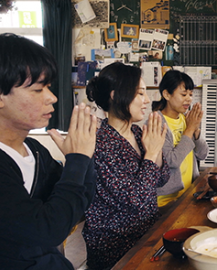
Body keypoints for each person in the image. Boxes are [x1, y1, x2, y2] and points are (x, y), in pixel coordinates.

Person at [0, 33, 97, 269]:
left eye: (49, 88)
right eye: (37, 90)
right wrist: (77, 159)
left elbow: (77, 205)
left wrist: (84, 159)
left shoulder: (35, 150)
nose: (52, 98)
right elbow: (47, 231)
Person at [83, 62, 169, 269]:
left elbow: (161, 179)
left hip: (144, 236)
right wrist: (151, 154)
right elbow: (135, 199)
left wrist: (155, 151)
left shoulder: (138, 133)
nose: (147, 100)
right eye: (140, 93)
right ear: (115, 95)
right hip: (115, 247)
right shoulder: (101, 143)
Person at [151, 70, 208, 208]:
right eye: (183, 94)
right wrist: (189, 129)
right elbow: (172, 161)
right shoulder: (156, 123)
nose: (188, 99)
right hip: (166, 201)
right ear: (166, 94)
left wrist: (195, 132)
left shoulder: (185, 119)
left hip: (188, 194)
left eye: (190, 94)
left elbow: (202, 154)